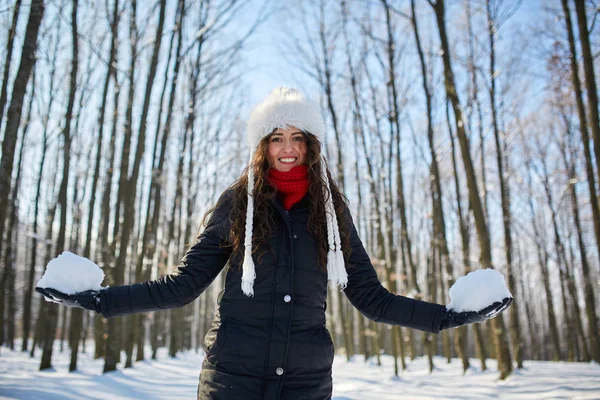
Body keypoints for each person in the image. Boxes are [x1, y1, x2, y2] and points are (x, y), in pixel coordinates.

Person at [37, 87, 512, 400]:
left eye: (297, 137)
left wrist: (447, 318)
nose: (288, 148)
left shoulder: (331, 211)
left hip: (305, 383)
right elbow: (182, 286)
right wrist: (100, 300)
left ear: (311, 144)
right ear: (261, 145)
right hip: (231, 382)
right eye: (276, 137)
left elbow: (370, 297)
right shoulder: (237, 203)